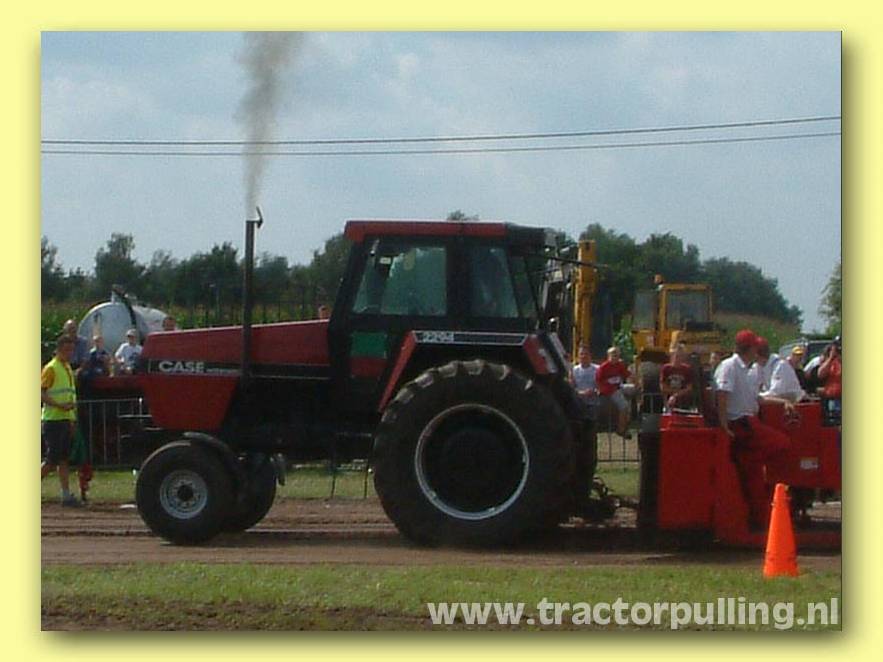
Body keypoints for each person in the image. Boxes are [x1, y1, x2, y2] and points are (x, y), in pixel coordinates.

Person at [715, 329, 790, 530]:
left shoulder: (751, 370)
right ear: (749, 348)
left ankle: (759, 522)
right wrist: (724, 425)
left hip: (748, 422)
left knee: (754, 478)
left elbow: (758, 399)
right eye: (755, 347)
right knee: (782, 443)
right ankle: (752, 460)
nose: (758, 350)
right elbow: (722, 395)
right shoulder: (729, 366)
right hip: (741, 423)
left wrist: (783, 402)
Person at [41, 335, 82, 507]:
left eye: (71, 350)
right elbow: (41, 393)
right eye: (66, 350)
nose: (69, 353)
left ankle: (65, 494)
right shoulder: (51, 368)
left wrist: (72, 418)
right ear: (58, 349)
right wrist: (60, 406)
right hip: (53, 420)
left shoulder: (66, 368)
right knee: (52, 459)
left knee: (63, 459)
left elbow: (69, 396)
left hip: (65, 419)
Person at [596, 346, 631, 439]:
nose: (615, 357)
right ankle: (621, 429)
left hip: (619, 387)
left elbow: (627, 374)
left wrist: (636, 382)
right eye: (613, 355)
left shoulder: (619, 365)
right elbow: (598, 381)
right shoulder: (603, 367)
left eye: (617, 355)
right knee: (624, 406)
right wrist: (606, 388)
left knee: (635, 389)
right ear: (608, 356)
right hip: (609, 390)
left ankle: (635, 418)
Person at [660, 343, 695, 411]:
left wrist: (676, 395)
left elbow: (689, 388)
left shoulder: (687, 369)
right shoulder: (666, 368)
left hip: (684, 403)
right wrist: (672, 396)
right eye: (676, 355)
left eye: (680, 356)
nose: (677, 358)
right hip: (668, 403)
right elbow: (663, 387)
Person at [570, 345, 600, 414]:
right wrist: (581, 393)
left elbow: (602, 386)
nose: (584, 356)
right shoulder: (574, 370)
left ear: (590, 355)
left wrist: (594, 391)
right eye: (581, 354)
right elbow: (571, 388)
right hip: (578, 403)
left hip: (594, 403)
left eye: (586, 354)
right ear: (578, 356)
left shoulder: (598, 369)